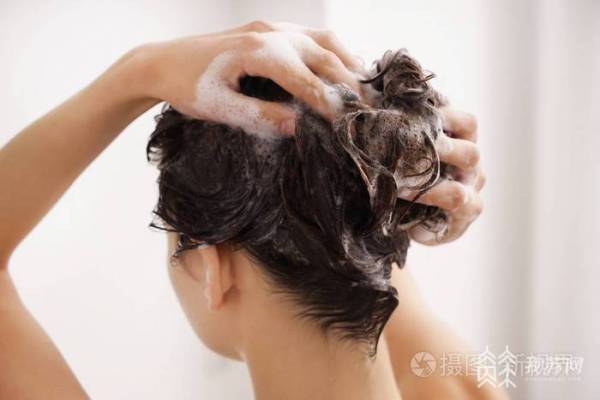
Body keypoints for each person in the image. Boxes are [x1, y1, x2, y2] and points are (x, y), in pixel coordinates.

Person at [0, 21, 501, 400]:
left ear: (211, 267)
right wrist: (397, 165)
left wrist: (139, 70)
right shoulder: (459, 386)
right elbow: (357, 246)